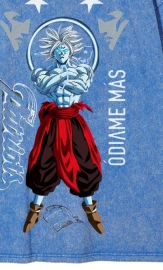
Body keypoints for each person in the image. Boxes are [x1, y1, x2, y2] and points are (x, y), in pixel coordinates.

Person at [23, 25, 103, 234]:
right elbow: (44, 86)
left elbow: (81, 87)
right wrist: (63, 78)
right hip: (52, 122)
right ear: (53, 53)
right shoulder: (43, 74)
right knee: (43, 162)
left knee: (84, 161)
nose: (61, 53)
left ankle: (90, 208)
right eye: (58, 50)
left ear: (70, 52)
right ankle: (35, 209)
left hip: (73, 121)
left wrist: (59, 79)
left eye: (64, 49)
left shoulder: (81, 72)